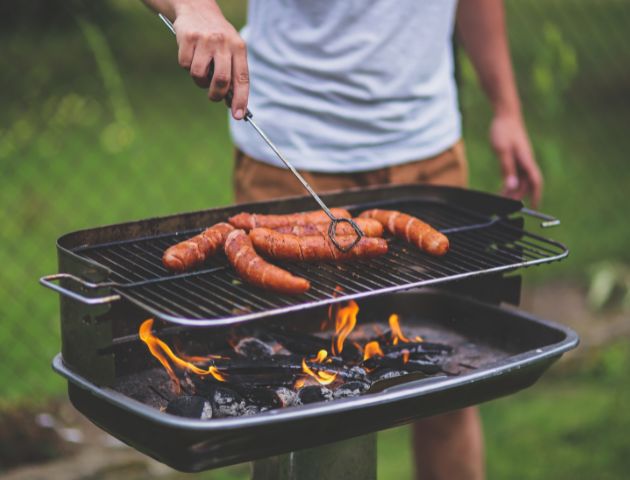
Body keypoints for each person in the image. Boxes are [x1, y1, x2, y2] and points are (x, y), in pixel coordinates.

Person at [143, 1, 543, 478]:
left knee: (449, 389)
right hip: (291, 151)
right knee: (288, 400)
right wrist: (193, 7)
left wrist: (507, 108)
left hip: (427, 151)